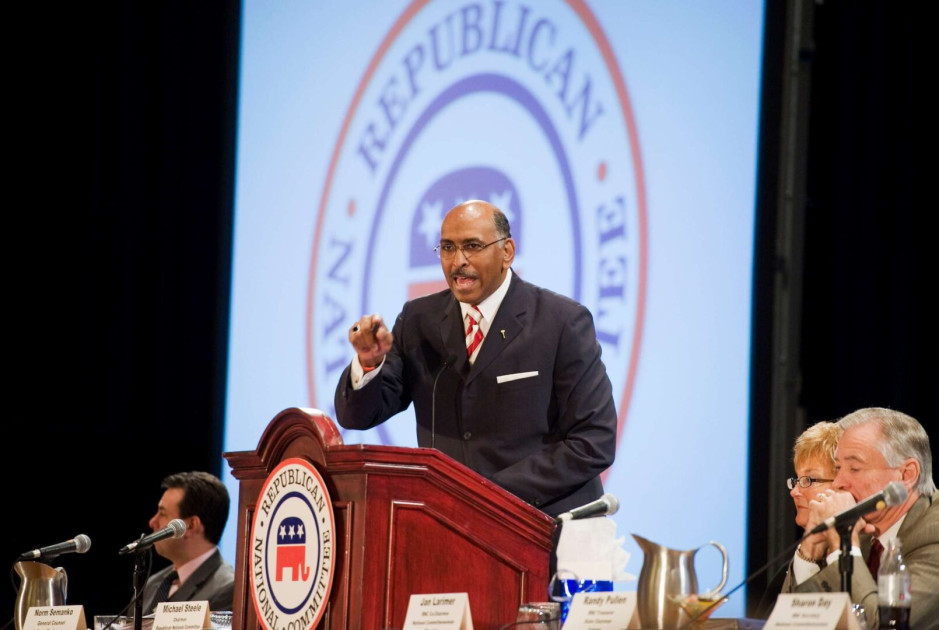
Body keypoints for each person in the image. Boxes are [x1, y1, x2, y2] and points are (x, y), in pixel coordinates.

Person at [334, 199, 617, 518]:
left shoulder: (561, 322)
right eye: (448, 248)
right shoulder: (419, 319)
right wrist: (369, 363)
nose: (458, 262)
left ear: (507, 252)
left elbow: (594, 440)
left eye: (472, 246)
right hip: (450, 529)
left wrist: (488, 495)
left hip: (544, 530)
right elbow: (357, 416)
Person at [781, 407, 939, 628]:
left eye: (854, 468)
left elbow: (883, 625)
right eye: (837, 468)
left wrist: (844, 545)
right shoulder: (863, 531)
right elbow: (794, 624)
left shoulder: (934, 535)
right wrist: (810, 552)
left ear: (906, 474)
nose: (838, 482)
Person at [754, 421, 842, 618]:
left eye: (809, 480)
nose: (795, 492)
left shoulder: (866, 563)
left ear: (843, 485)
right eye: (796, 479)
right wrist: (806, 558)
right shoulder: (783, 575)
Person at [139, 471, 235, 615]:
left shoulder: (228, 588)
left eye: (163, 514)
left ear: (191, 525)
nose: (153, 522)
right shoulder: (152, 583)